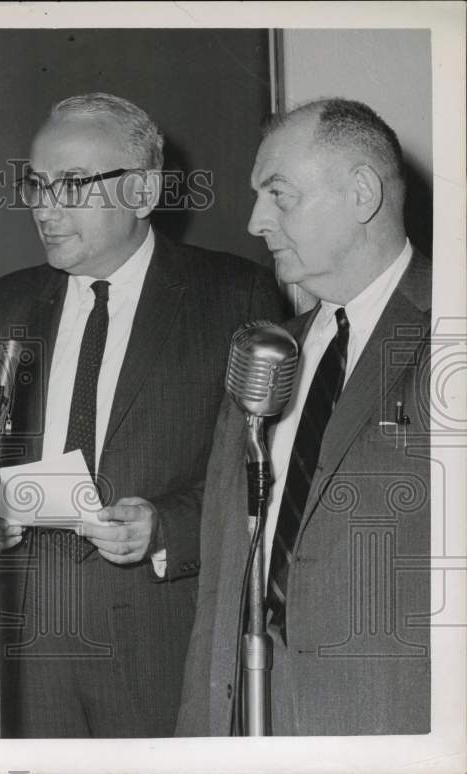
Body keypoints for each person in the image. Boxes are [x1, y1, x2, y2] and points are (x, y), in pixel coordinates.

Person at [0, 92, 287, 737]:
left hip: (167, 647)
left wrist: (166, 528)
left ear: (141, 190)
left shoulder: (233, 295)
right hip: (30, 652)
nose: (44, 208)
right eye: (36, 184)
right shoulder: (3, 304)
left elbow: (263, 475)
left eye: (72, 185)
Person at [176, 99, 431, 735]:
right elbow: (218, 586)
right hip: (248, 720)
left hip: (391, 724)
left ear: (362, 193)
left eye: (279, 194)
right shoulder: (264, 353)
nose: (257, 220)